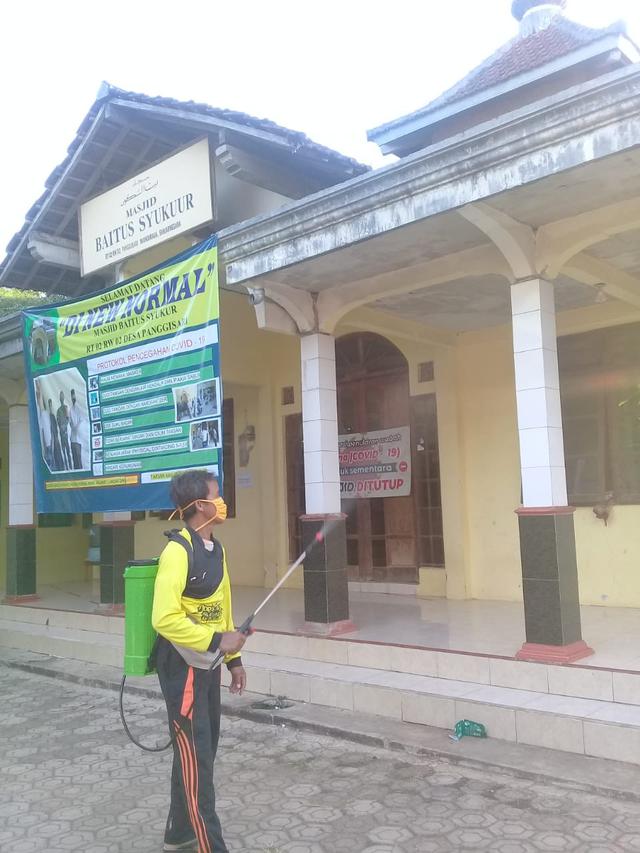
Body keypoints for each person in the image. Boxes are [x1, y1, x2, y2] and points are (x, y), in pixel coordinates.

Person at [152, 470, 247, 853]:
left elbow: (222, 608)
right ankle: (211, 846)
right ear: (200, 506)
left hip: (208, 664)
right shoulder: (177, 552)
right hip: (182, 667)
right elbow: (164, 617)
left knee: (200, 751)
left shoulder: (217, 549)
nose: (221, 501)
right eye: (217, 495)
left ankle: (179, 833)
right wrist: (215, 640)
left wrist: (234, 659)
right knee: (198, 759)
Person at [56, 391, 73, 470]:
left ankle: (70, 467)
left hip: (66, 432)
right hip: (61, 433)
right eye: (60, 396)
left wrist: (65, 429)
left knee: (68, 451)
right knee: (64, 451)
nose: (61, 398)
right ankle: (66, 468)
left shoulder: (65, 407)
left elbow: (68, 419)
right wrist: (61, 429)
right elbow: (58, 421)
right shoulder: (58, 410)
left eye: (62, 396)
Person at [68, 389, 83, 469]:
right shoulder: (70, 410)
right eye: (71, 396)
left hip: (79, 437)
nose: (73, 397)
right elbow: (70, 421)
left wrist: (76, 427)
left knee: (78, 456)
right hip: (73, 437)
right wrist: (72, 426)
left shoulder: (79, 408)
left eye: (73, 395)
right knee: (74, 457)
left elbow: (81, 420)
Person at [48, 399, 63, 471]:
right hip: (52, 437)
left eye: (51, 405)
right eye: (49, 405)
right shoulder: (49, 416)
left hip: (55, 436)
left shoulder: (53, 416)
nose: (50, 407)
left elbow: (56, 427)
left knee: (58, 452)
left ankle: (60, 467)